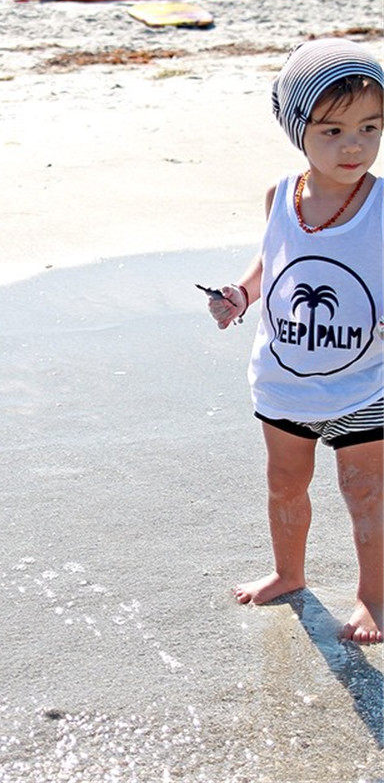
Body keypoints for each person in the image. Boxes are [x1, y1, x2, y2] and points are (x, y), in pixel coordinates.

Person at [208, 38, 384, 644]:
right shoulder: (280, 196)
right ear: (297, 130)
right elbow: (271, 260)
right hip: (284, 381)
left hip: (365, 385)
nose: (353, 146)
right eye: (332, 131)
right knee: (284, 485)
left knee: (366, 493)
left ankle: (374, 597)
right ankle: (288, 573)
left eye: (369, 128)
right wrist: (241, 294)